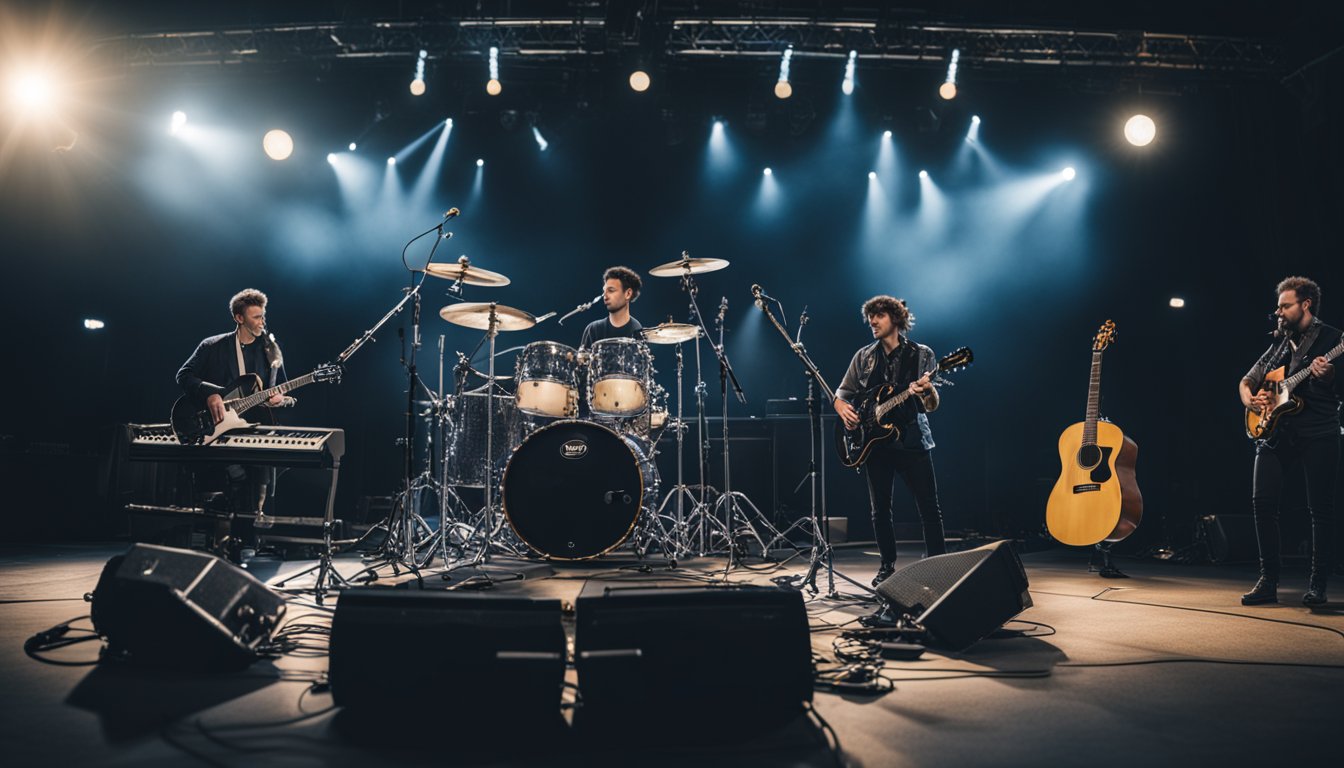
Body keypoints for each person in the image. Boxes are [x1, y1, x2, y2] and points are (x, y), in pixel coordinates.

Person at [1239, 276, 1341, 606]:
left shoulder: (1333, 339)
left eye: (1285, 306)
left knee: (1320, 511)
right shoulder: (1280, 344)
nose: (1278, 311)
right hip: (1276, 432)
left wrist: (1329, 376)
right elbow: (1247, 380)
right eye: (1279, 306)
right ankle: (1268, 581)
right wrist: (1249, 400)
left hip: (1319, 431)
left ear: (1305, 305)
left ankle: (1318, 586)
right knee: (1262, 504)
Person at [834, 296, 947, 586]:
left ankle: (938, 566)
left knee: (929, 507)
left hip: (912, 441)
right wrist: (842, 409)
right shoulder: (864, 357)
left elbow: (932, 405)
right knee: (880, 510)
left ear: (895, 318)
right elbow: (841, 394)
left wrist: (925, 391)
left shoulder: (922, 354)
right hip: (874, 444)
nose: (872, 321)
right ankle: (886, 567)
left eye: (879, 315)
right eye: (870, 316)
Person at [176, 288, 292, 518]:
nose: (262, 322)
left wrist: (281, 400)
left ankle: (253, 524)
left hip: (255, 431)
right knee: (231, 482)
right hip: (218, 430)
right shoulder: (212, 346)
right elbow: (184, 375)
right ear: (239, 318)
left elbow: (285, 392)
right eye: (256, 317)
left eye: (263, 316)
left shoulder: (271, 352)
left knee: (260, 472)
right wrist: (210, 394)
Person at [579, 266, 644, 348]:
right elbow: (583, 359)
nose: (605, 296)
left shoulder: (637, 330)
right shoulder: (593, 329)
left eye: (611, 290)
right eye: (604, 291)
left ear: (628, 294)